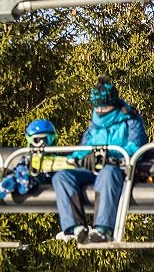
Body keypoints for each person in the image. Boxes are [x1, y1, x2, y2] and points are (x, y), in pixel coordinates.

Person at [53, 76, 147, 243]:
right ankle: (75, 227)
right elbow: (83, 148)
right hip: (92, 169)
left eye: (105, 108)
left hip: (118, 169)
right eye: (99, 109)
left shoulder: (131, 120)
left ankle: (103, 229)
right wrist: (77, 159)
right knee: (62, 177)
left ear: (114, 104)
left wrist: (109, 156)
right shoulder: (94, 125)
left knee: (107, 172)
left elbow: (135, 147)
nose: (101, 112)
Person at [0, 119, 58, 201]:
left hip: (47, 179)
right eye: (37, 140)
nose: (42, 144)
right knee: (20, 170)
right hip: (31, 174)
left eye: (46, 140)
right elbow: (21, 165)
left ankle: (25, 182)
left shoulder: (57, 156)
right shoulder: (29, 156)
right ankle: (11, 181)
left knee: (38, 178)